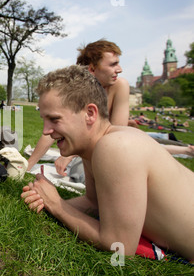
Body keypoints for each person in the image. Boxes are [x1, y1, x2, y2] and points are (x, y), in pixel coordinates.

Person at [21, 65, 194, 262]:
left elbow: (120, 244)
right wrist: (44, 200)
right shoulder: (93, 147)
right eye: (44, 120)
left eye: (54, 119)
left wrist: (58, 205)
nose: (45, 131)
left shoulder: (115, 146)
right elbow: (94, 203)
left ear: (90, 113)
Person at [27, 39, 193, 178]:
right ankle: (184, 149)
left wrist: (69, 157)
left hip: (113, 148)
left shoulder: (119, 86)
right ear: (92, 69)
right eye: (113, 64)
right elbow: (53, 126)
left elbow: (116, 138)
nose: (119, 70)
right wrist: (28, 165)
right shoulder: (74, 90)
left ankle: (184, 149)